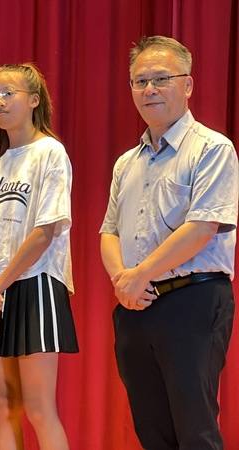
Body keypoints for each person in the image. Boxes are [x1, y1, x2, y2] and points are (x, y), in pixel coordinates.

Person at [100, 35, 237, 450]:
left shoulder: (212, 148)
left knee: (194, 427)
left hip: (192, 302)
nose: (149, 90)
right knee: (151, 428)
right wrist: (124, 281)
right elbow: (109, 231)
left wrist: (138, 275)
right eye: (139, 81)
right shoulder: (127, 161)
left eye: (161, 79)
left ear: (188, 85)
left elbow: (202, 228)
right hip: (135, 307)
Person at [0, 63, 78, 450]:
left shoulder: (50, 153)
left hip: (33, 283)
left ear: (34, 100)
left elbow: (45, 232)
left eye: (8, 93)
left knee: (40, 408)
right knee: (3, 405)